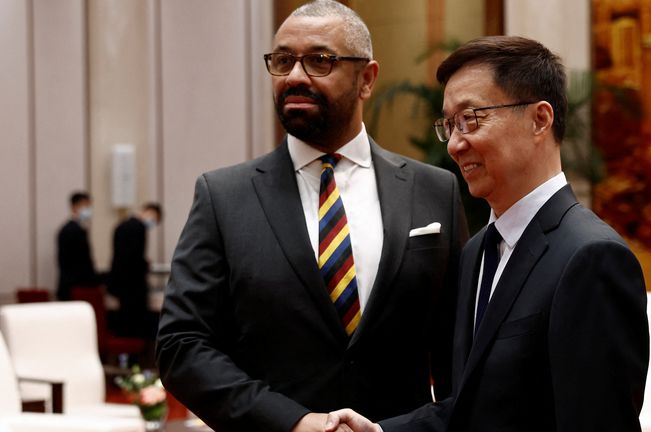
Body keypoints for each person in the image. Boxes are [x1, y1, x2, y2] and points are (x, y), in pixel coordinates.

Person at [156, 1, 468, 431]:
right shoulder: (223, 197)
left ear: (367, 78)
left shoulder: (434, 190)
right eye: (283, 61)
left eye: (320, 60)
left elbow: (459, 348)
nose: (296, 76)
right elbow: (182, 347)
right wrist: (295, 423)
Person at [325, 35, 649, 431]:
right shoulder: (477, 250)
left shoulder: (591, 257)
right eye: (450, 125)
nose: (455, 144)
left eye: (471, 119)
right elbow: (467, 407)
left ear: (540, 119)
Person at [108, 202, 162, 338]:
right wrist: (145, 265)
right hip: (134, 287)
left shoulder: (120, 225)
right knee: (137, 329)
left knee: (124, 327)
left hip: (120, 286)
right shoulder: (139, 228)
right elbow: (135, 258)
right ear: (149, 211)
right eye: (155, 219)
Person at [56, 191, 101, 300]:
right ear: (74, 206)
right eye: (85, 205)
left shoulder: (66, 228)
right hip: (76, 288)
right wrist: (94, 281)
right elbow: (82, 261)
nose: (88, 209)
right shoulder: (74, 230)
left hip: (69, 285)